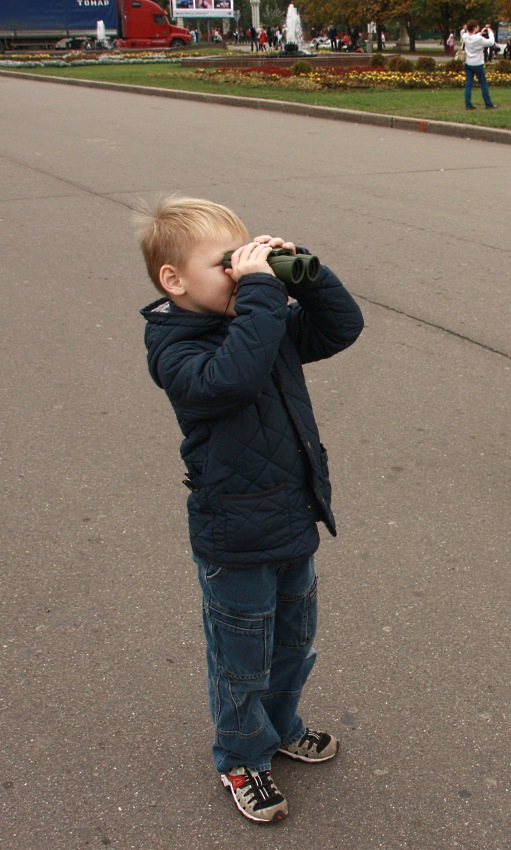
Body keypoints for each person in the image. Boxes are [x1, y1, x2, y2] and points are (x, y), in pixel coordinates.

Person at [136, 196, 364, 823]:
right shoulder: (176, 348)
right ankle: (242, 757)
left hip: (291, 517)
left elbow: (342, 327)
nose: (242, 272)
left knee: (293, 642)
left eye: (244, 259)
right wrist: (263, 294)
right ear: (174, 281)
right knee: (241, 658)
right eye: (226, 263)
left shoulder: (259, 320)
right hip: (233, 536)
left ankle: (282, 725)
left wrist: (303, 271)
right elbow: (231, 378)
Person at [461, 20, 497, 110]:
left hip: (468, 63)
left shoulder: (465, 36)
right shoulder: (479, 39)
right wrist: (490, 33)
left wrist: (480, 33)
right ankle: (488, 103)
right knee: (483, 84)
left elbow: (465, 33)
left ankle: (468, 104)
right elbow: (491, 42)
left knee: (468, 84)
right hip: (477, 64)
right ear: (475, 28)